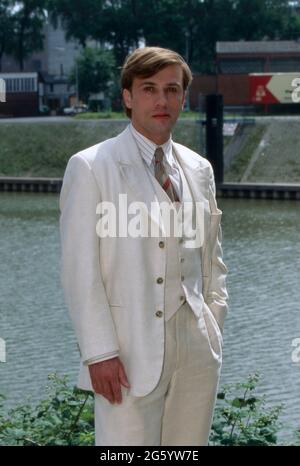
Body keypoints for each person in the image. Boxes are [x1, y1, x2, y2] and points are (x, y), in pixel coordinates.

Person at [59, 46, 228, 446]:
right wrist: (99, 353)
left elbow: (212, 259)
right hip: (127, 351)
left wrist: (212, 325)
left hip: (197, 350)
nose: (162, 100)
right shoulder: (90, 167)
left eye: (172, 89)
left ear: (183, 98)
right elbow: (79, 271)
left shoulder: (198, 168)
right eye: (149, 88)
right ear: (128, 97)